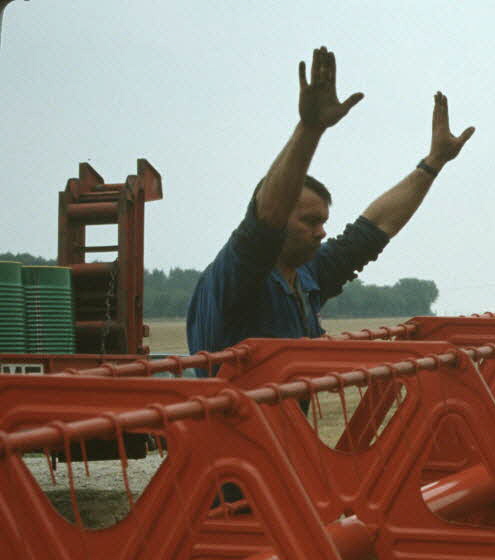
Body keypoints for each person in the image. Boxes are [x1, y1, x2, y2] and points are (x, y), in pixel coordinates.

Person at [186, 46, 474, 364]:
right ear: (279, 215)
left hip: (283, 415)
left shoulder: (307, 276)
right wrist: (310, 129)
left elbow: (373, 229)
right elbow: (264, 221)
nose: (322, 232)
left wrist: (433, 163)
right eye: (310, 221)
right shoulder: (239, 274)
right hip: (232, 415)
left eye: (323, 221)